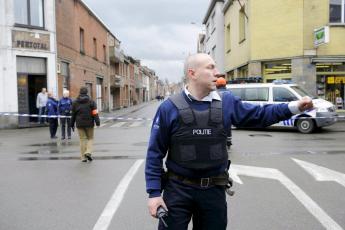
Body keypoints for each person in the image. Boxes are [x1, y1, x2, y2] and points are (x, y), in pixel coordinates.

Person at [145, 53, 313, 230]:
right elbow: (155, 153)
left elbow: (260, 115)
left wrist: (294, 107)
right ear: (192, 73)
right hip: (177, 191)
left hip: (213, 191)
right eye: (210, 68)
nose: (218, 73)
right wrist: (154, 193)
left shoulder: (227, 102)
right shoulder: (168, 107)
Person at [71, 86, 100, 162]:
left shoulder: (75, 102)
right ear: (87, 92)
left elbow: (73, 114)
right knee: (90, 138)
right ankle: (88, 152)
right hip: (89, 123)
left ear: (80, 92)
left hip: (79, 124)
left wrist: (71, 124)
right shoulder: (91, 101)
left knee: (82, 139)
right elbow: (95, 113)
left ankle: (83, 157)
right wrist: (97, 122)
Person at [216, 76, 232, 149]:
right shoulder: (230, 93)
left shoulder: (214, 93)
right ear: (225, 85)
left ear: (217, 85)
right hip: (227, 116)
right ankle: (228, 142)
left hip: (217, 115)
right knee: (228, 129)